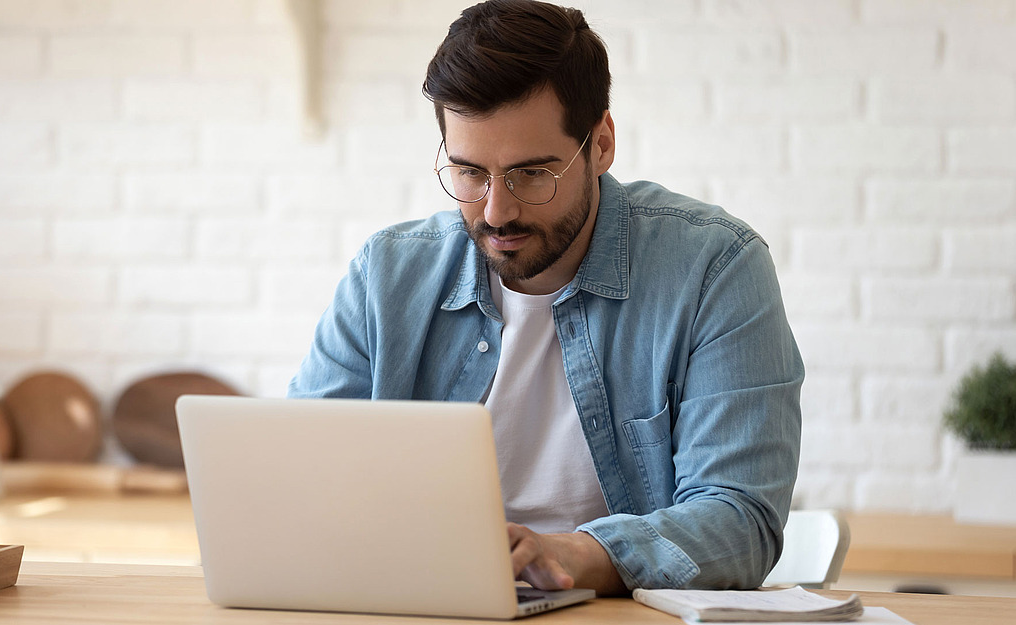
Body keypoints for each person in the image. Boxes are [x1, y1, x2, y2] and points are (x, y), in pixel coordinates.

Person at [288, 0, 803, 595]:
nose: (496, 211)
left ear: (601, 144)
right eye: (469, 172)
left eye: (532, 173)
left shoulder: (714, 268)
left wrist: (573, 554)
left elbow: (741, 521)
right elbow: (300, 480)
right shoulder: (385, 277)